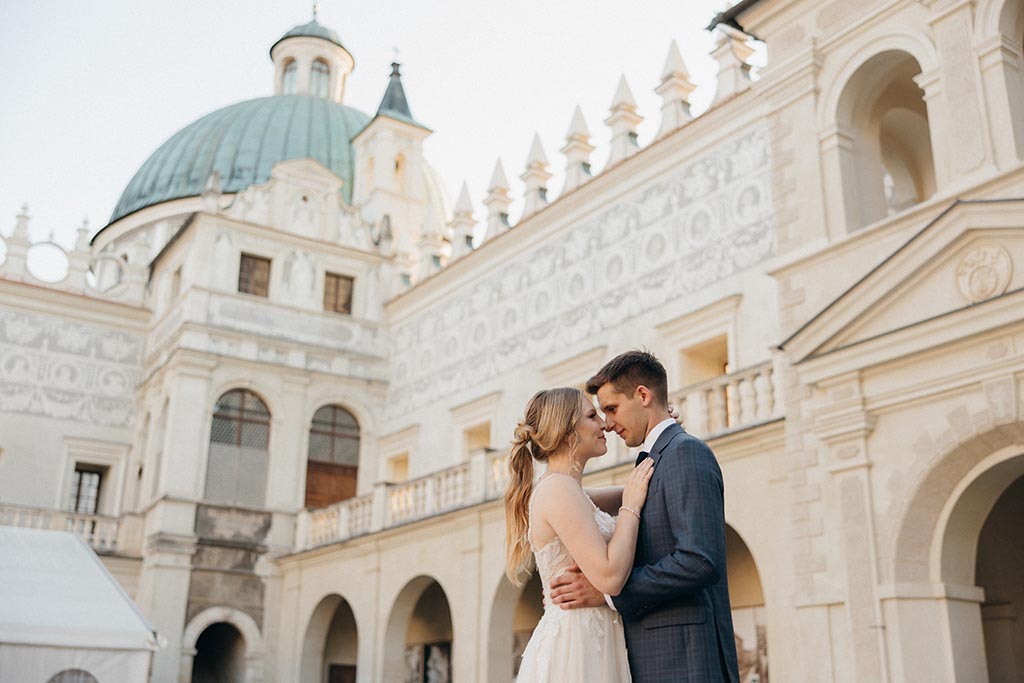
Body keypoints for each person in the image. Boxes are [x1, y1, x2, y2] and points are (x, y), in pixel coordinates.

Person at [550, 350, 740, 683]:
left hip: (685, 661)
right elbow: (574, 501)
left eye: (611, 409)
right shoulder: (655, 460)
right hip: (652, 658)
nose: (608, 424)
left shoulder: (686, 452)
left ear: (642, 395)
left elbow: (699, 560)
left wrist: (608, 593)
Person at [504, 387, 655, 683]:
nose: (604, 424)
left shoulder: (569, 490)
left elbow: (636, 490)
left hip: (591, 636)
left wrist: (660, 437)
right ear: (567, 433)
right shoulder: (558, 490)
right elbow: (609, 576)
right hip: (577, 645)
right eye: (591, 416)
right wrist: (631, 508)